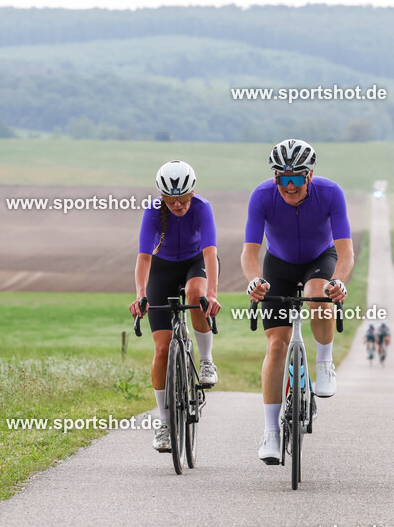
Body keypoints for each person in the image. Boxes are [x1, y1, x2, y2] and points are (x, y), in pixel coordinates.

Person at [242, 139, 353, 464]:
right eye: (282, 179)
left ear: (310, 175)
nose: (289, 187)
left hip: (320, 258)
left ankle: (324, 363)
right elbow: (250, 252)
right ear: (275, 178)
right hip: (278, 264)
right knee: (277, 345)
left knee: (317, 295)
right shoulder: (261, 196)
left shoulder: (330, 193)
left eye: (296, 178)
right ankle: (271, 433)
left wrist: (339, 283)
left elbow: (346, 252)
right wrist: (254, 281)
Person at [129, 160, 222, 452]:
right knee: (161, 348)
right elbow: (144, 257)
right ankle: (166, 423)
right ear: (162, 196)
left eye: (183, 197)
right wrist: (141, 294)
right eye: (171, 199)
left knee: (196, 294)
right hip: (163, 268)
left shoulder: (202, 208)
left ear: (192, 193)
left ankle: (205, 359)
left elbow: (210, 253)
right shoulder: (153, 211)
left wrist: (213, 294)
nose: (178, 204)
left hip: (196, 262)